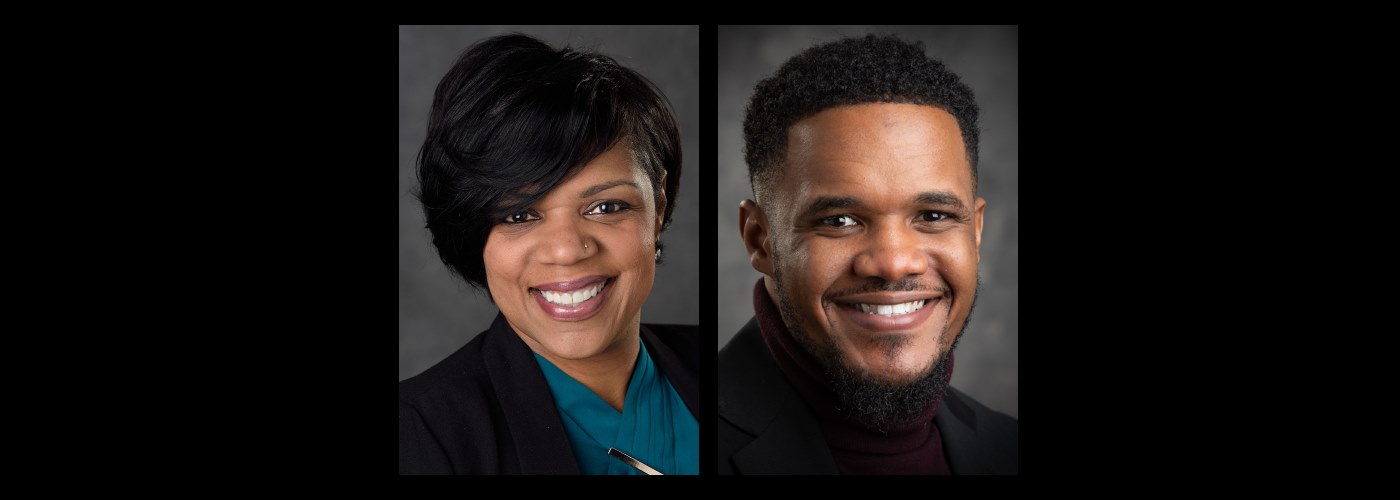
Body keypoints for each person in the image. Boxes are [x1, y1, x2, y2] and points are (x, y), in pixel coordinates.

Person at [718, 34, 1018, 475]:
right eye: (840, 220)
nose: (895, 263)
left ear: (974, 232)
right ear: (760, 240)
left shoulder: (1006, 445)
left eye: (933, 215)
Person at [400, 33, 698, 475]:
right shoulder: (417, 435)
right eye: (518, 215)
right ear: (472, 230)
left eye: (606, 207)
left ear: (658, 206)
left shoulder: (732, 370)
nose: (566, 250)